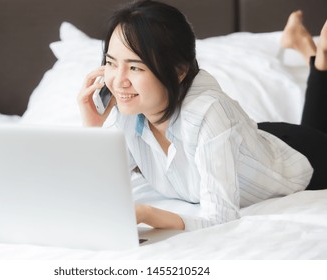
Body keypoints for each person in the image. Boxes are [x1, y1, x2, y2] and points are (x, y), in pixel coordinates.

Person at [77, 0, 327, 231]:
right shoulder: (131, 108)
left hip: (301, 154)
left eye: (135, 67)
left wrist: (147, 214)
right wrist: (93, 130)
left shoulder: (208, 111)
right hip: (242, 143)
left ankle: (319, 57)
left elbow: (221, 218)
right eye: (111, 63)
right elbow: (99, 192)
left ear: (179, 71)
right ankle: (310, 52)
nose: (119, 81)